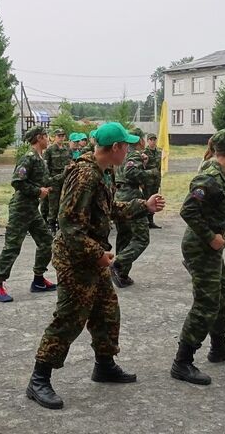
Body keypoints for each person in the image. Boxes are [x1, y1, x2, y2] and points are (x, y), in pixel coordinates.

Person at [26, 122, 165, 410]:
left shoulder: (104, 172)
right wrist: (97, 254)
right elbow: (68, 225)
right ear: (115, 148)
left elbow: (111, 208)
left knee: (106, 310)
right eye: (126, 145)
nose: (129, 149)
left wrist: (144, 205)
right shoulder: (85, 175)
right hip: (74, 258)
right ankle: (39, 379)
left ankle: (104, 365)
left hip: (90, 255)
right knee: (70, 317)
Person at [170, 128, 225, 386]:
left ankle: (218, 347)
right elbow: (188, 210)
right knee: (206, 302)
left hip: (213, 248)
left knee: (223, 293)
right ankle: (182, 362)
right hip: (200, 247)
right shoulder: (209, 177)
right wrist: (210, 237)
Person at [0, 125, 56, 302]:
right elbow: (17, 182)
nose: (48, 138)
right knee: (12, 247)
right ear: (39, 138)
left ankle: (38, 280)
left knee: (47, 242)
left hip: (32, 210)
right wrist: (38, 192)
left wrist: (64, 176)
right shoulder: (28, 158)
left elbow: (45, 181)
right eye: (46, 136)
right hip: (20, 209)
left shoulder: (40, 158)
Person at [110, 127, 158, 287]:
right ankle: (118, 264)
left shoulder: (122, 155)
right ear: (140, 141)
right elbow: (131, 173)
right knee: (142, 238)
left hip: (119, 195)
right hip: (131, 197)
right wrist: (151, 173)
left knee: (124, 236)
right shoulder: (134, 154)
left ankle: (122, 274)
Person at [40, 128, 70, 233]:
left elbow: (69, 163)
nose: (61, 138)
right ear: (54, 137)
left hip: (65, 179)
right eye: (59, 136)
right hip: (54, 179)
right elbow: (45, 166)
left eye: (63, 136)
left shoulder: (67, 149)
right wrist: (48, 180)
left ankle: (60, 224)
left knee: (64, 202)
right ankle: (51, 224)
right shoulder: (50, 150)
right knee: (53, 204)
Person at [143, 134, 163, 229]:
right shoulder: (144, 152)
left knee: (154, 200)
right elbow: (142, 167)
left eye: (154, 139)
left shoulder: (159, 152)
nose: (153, 141)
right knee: (147, 199)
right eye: (151, 139)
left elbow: (159, 167)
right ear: (147, 141)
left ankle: (151, 221)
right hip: (147, 180)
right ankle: (145, 221)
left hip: (156, 180)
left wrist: (159, 178)